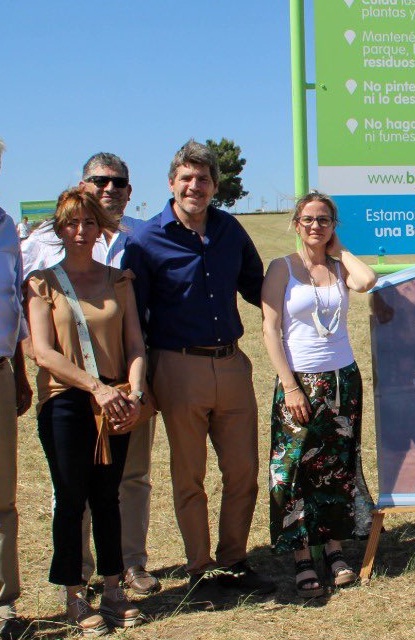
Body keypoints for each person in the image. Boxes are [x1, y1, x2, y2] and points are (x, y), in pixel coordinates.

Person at [123, 140, 273, 598]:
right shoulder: (146, 239)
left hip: (231, 364)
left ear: (215, 187)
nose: (195, 186)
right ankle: (199, 567)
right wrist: (142, 380)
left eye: (203, 179)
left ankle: (234, 560)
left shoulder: (230, 230)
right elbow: (137, 318)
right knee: (189, 475)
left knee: (243, 469)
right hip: (176, 366)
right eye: (186, 178)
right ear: (172, 183)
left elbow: (258, 288)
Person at [20, 152, 159, 596]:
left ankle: (123, 575)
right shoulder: (42, 267)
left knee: (117, 490)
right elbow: (40, 345)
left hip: (121, 396)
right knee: (72, 496)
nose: (81, 232)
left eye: (118, 182)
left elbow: (136, 338)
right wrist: (93, 388)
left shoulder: (130, 258)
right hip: (68, 396)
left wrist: (134, 394)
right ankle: (76, 587)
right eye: (100, 181)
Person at [260, 193, 376, 598]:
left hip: (342, 379)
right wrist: (289, 385)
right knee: (292, 470)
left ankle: (334, 551)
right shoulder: (281, 269)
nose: (315, 226)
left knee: (336, 467)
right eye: (308, 219)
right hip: (300, 382)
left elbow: (366, 281)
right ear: (296, 223)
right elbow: (269, 330)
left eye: (324, 220)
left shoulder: (338, 267)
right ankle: (301, 558)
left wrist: (338, 250)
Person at [0, 136, 33, 640]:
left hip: (0, 370)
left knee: (2, 495)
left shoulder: (7, 226)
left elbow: (14, 303)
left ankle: (2, 603)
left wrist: (21, 373)